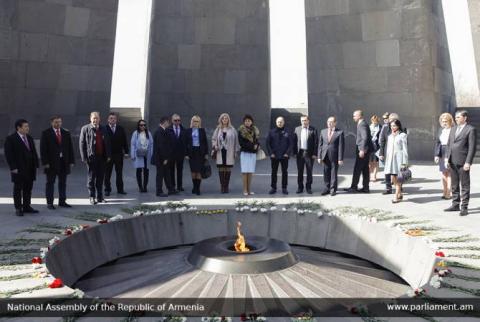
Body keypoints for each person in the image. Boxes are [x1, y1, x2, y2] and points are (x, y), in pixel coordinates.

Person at [444, 110, 477, 216]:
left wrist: (468, 162)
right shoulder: (453, 129)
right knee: (454, 185)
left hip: (463, 162)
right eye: (456, 117)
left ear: (465, 118)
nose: (456, 119)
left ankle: (464, 207)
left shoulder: (470, 129)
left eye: (458, 117)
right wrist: (446, 158)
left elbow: (472, 148)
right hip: (452, 161)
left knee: (465, 185)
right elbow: (449, 144)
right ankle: (455, 204)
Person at [4, 119, 39, 215]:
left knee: (28, 188)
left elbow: (34, 152)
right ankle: (18, 208)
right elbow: (9, 154)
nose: (28, 128)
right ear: (19, 128)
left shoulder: (29, 138)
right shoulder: (11, 139)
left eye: (28, 126)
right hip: (18, 168)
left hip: (30, 168)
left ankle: (27, 206)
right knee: (18, 189)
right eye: (25, 126)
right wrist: (13, 167)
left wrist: (36, 164)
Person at [40, 116, 75, 209]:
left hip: (64, 162)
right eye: (56, 122)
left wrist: (71, 161)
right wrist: (45, 162)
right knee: (50, 183)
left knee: (63, 182)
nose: (58, 124)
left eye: (59, 122)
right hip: (51, 163)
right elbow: (43, 149)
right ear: (52, 123)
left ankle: (62, 201)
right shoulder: (46, 133)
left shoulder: (66, 132)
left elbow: (70, 148)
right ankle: (50, 203)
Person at [79, 111, 111, 205]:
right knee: (91, 178)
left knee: (101, 178)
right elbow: (82, 144)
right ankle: (92, 197)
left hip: (102, 157)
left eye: (97, 118)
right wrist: (84, 157)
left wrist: (108, 155)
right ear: (90, 119)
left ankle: (100, 197)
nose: (95, 120)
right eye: (94, 118)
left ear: (99, 119)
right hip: (91, 157)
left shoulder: (104, 128)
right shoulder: (85, 128)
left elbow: (108, 143)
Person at [345, 109, 373, 193]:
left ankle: (354, 187)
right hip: (365, 150)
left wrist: (362, 150)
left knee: (357, 169)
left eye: (354, 115)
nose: (353, 117)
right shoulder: (362, 123)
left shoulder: (362, 124)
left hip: (362, 151)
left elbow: (365, 138)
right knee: (365, 170)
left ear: (360, 116)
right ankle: (366, 188)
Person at [212, 113, 239, 193]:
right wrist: (215, 145)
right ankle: (222, 186)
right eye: (223, 118)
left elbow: (236, 141)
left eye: (226, 118)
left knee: (227, 168)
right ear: (221, 120)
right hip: (220, 151)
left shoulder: (232, 129)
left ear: (228, 120)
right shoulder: (218, 129)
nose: (224, 120)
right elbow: (213, 139)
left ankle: (226, 186)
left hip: (229, 152)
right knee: (221, 168)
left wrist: (235, 151)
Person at [318, 116, 344, 196]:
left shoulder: (340, 132)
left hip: (334, 156)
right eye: (328, 121)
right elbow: (320, 145)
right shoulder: (323, 131)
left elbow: (341, 146)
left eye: (331, 122)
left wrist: (340, 158)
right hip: (325, 155)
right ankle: (326, 188)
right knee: (326, 172)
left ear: (335, 123)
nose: (329, 123)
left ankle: (333, 189)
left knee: (333, 173)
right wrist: (319, 156)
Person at [104, 112, 129, 196]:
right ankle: (107, 189)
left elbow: (124, 141)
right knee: (107, 173)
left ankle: (120, 189)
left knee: (119, 173)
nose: (112, 120)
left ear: (116, 120)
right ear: (108, 120)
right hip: (108, 155)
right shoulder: (104, 128)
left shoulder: (120, 128)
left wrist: (126, 152)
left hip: (118, 154)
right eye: (111, 118)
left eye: (114, 118)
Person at [293, 115, 318, 194]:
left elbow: (316, 143)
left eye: (305, 120)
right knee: (300, 171)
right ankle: (300, 187)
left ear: (308, 121)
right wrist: (294, 152)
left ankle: (308, 187)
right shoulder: (297, 129)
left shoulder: (313, 129)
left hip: (309, 154)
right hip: (300, 153)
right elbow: (294, 141)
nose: (303, 122)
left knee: (309, 171)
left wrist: (315, 153)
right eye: (302, 120)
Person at [384, 119, 408, 203]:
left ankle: (396, 197)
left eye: (394, 125)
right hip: (391, 160)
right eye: (391, 126)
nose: (392, 127)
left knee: (398, 179)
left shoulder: (403, 135)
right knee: (393, 179)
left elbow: (405, 149)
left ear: (398, 126)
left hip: (399, 160)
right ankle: (400, 194)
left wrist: (405, 162)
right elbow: (388, 149)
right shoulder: (390, 136)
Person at [266, 116, 291, 195]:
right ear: (276, 123)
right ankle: (273, 188)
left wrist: (287, 153)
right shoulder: (271, 132)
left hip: (284, 156)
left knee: (284, 172)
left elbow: (291, 143)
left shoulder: (288, 132)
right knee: (274, 172)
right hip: (274, 156)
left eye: (281, 122)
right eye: (278, 122)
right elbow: (267, 143)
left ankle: (284, 188)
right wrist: (271, 153)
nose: (279, 123)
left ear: (284, 122)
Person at [185, 115, 209, 195]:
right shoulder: (188, 131)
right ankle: (194, 187)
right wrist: (186, 154)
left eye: (197, 121)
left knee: (199, 171)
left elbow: (205, 143)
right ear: (192, 122)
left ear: (199, 122)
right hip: (191, 153)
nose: (196, 123)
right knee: (193, 171)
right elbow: (185, 143)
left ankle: (198, 188)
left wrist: (206, 153)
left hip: (200, 152)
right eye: (194, 121)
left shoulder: (202, 131)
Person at [238, 114, 260, 196]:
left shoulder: (255, 130)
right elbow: (241, 143)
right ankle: (245, 190)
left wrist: (257, 146)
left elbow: (257, 141)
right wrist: (252, 146)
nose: (247, 122)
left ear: (251, 122)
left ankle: (249, 190)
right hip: (245, 153)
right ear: (244, 122)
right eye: (246, 121)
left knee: (250, 172)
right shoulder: (241, 130)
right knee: (244, 172)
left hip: (252, 154)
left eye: (249, 121)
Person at [152, 116, 175, 197]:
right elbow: (161, 146)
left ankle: (170, 189)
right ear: (164, 122)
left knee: (166, 174)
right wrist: (164, 158)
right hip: (160, 158)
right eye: (168, 122)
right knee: (160, 175)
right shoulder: (159, 132)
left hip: (163, 158)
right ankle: (159, 191)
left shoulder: (163, 131)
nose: (169, 124)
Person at [379, 112, 399, 194]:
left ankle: (398, 187)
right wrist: (381, 153)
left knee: (397, 171)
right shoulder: (385, 128)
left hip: (397, 154)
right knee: (387, 171)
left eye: (393, 120)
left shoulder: (401, 129)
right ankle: (388, 188)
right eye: (390, 119)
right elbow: (382, 141)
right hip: (388, 153)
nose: (391, 121)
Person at [434, 113, 454, 200]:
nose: (444, 123)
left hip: (450, 151)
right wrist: (436, 155)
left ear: (450, 121)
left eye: (446, 121)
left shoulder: (453, 130)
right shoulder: (440, 130)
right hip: (442, 151)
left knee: (449, 173)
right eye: (442, 121)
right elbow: (438, 143)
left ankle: (449, 192)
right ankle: (444, 190)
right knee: (443, 172)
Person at [130, 119, 153, 193]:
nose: (143, 126)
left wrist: (151, 154)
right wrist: (132, 154)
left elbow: (152, 144)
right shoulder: (135, 133)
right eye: (141, 125)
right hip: (138, 154)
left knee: (146, 171)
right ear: (138, 126)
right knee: (139, 170)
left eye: (144, 125)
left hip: (146, 154)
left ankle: (145, 186)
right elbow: (133, 144)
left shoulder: (148, 133)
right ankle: (140, 187)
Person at [168, 114, 187, 192]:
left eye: (179, 120)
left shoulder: (183, 129)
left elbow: (185, 142)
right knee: (171, 170)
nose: (177, 122)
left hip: (180, 153)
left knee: (180, 170)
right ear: (172, 121)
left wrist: (186, 153)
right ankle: (172, 185)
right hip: (171, 153)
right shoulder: (168, 129)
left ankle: (180, 186)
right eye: (175, 120)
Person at [369, 115, 381, 182]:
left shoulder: (380, 127)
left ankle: (374, 175)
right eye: (373, 120)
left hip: (377, 147)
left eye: (375, 121)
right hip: (370, 147)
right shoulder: (369, 127)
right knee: (370, 162)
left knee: (376, 162)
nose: (374, 122)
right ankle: (370, 175)